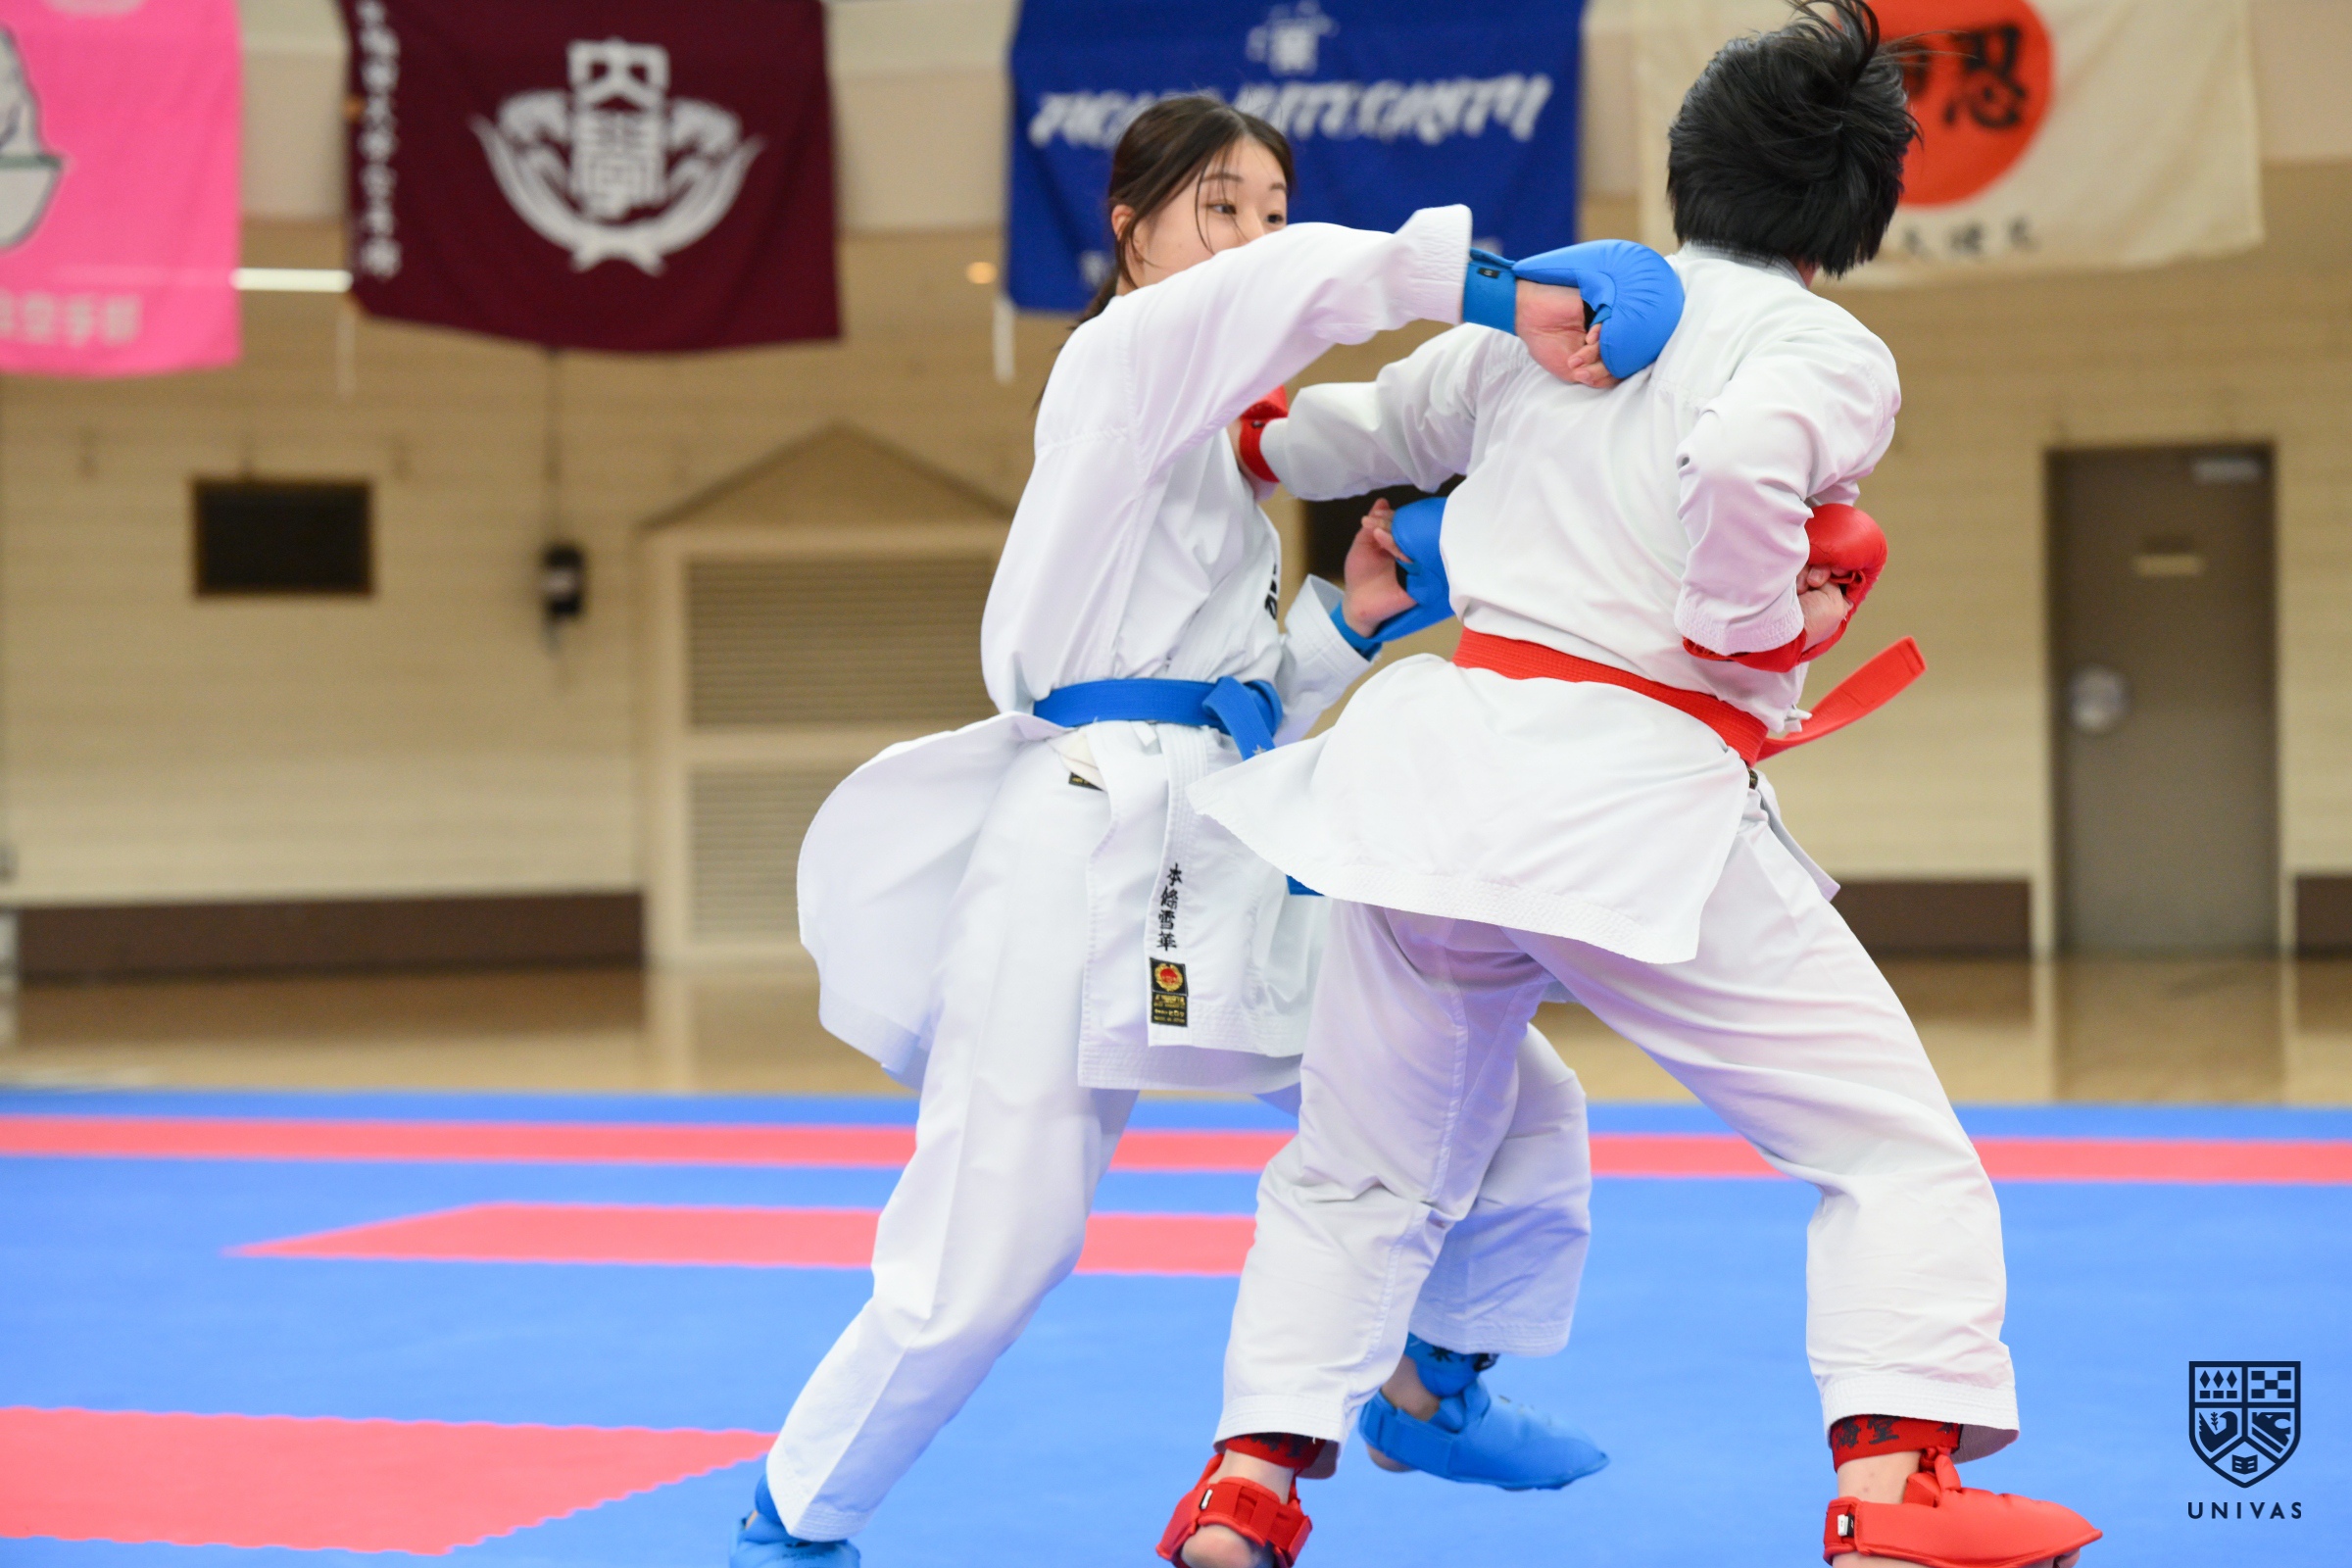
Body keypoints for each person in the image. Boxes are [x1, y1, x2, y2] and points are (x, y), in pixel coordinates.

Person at [1156, 7, 2103, 1568]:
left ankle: (1248, 1484)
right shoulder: (1820, 348)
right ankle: (1893, 1489)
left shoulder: (1554, 315)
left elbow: (1348, 433)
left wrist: (1236, 430)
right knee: (1888, 1149)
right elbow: (1738, 467)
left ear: (1689, 171)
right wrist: (1759, 624)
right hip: (1625, 795)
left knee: (1358, 1170)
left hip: (1437, 783)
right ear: (1860, 206)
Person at [730, 95, 1681, 1566]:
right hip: (1073, 855)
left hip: (1221, 836)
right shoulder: (1122, 360)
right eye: (1218, 206)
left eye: (1271, 210)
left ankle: (1434, 1384)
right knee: (992, 1255)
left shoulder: (1213, 454)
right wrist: (1498, 289)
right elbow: (1289, 291)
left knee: (1503, 1081)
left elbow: (1223, 701)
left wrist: (1353, 621)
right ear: (1132, 231)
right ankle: (795, 1522)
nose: (1250, 236)